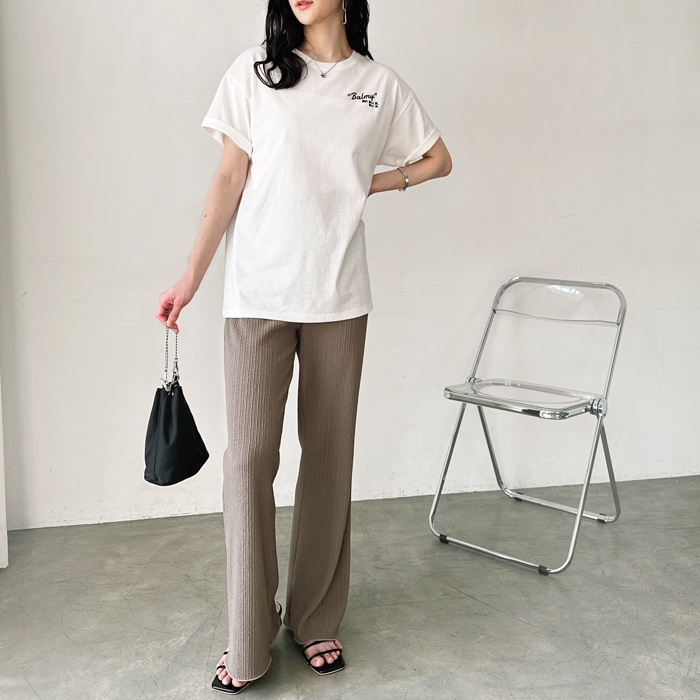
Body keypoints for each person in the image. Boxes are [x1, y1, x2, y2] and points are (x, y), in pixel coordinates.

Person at [156, 0, 451, 693]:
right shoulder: (255, 73)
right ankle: (248, 633)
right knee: (248, 461)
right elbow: (229, 177)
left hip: (339, 298)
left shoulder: (377, 86)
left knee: (326, 459)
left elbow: (439, 159)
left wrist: (375, 181)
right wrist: (191, 276)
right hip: (256, 295)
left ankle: (315, 617)